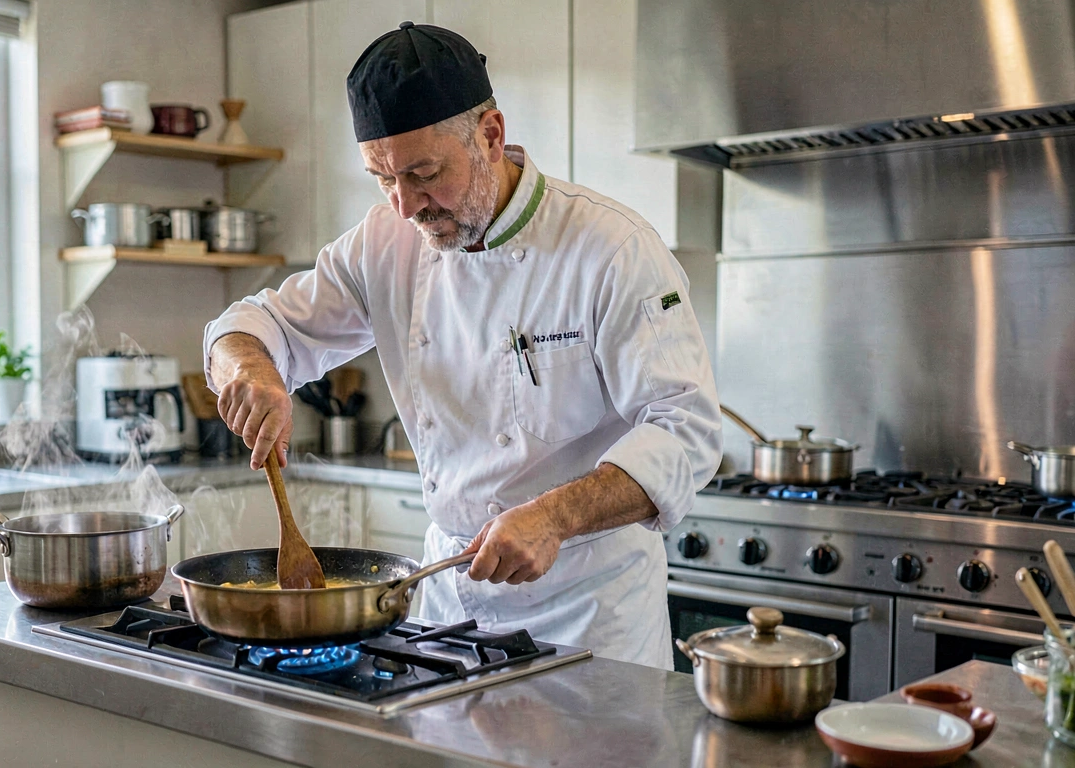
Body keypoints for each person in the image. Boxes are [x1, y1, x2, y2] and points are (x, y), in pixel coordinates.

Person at [203, 21, 721, 667]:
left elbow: (686, 430)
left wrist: (553, 517)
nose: (405, 205)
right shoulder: (383, 241)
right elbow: (251, 325)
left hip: (589, 610)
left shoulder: (609, 246)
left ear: (491, 134)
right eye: (381, 178)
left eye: (424, 173)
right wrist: (253, 373)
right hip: (448, 601)